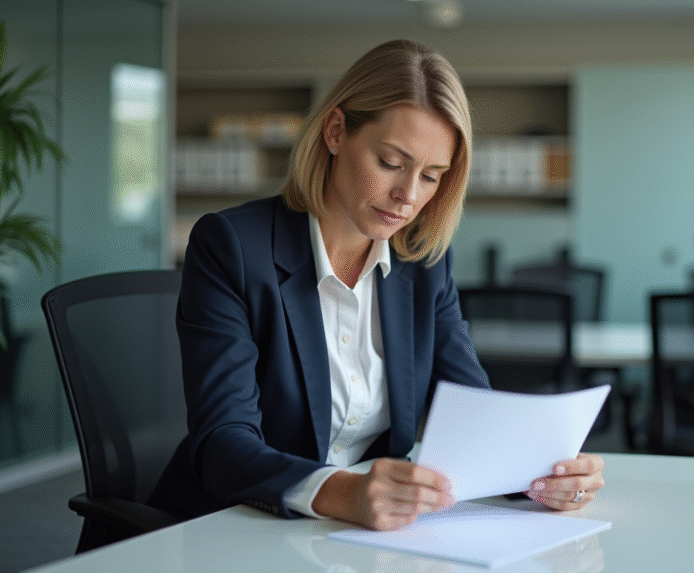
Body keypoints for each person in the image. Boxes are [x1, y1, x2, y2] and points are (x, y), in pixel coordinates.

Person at [150, 39, 604, 531]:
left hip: (345, 538)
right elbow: (222, 443)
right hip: (227, 525)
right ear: (336, 131)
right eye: (390, 163)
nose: (408, 196)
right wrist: (338, 490)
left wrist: (546, 474)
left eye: (432, 176)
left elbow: (475, 417)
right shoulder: (233, 246)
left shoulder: (424, 261)